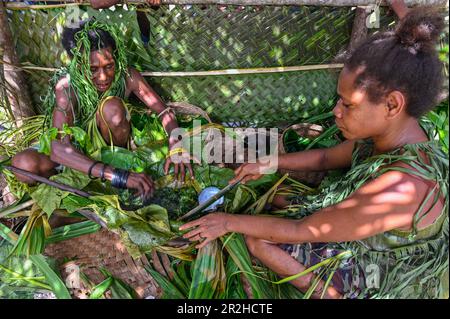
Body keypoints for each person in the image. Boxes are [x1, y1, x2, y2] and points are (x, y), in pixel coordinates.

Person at [180, 6, 448, 299]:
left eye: (348, 105)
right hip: (369, 234)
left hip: (387, 269)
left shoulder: (401, 188)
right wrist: (267, 164)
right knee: (275, 200)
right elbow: (325, 158)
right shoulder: (394, 133)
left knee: (258, 241)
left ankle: (328, 294)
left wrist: (226, 223)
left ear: (392, 105)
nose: (336, 112)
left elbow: (304, 230)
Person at [11, 20, 191, 200]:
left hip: (112, 150)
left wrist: (177, 143)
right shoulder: (67, 87)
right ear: (78, 65)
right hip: (75, 156)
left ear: (116, 58)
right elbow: (58, 149)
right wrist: (117, 176)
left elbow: (162, 110)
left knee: (112, 108)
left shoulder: (127, 76)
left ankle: (108, 179)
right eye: (93, 69)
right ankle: (81, 189)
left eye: (109, 66)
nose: (103, 77)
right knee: (22, 165)